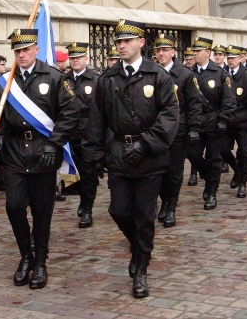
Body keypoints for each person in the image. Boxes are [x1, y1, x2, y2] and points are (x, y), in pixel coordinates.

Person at [83, 20, 179, 298]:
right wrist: (95, 154)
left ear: (141, 43)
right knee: (119, 210)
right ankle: (138, 249)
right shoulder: (108, 78)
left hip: (149, 159)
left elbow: (170, 116)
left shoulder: (158, 76)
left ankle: (141, 268)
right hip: (119, 155)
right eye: (118, 42)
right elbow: (97, 119)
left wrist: (146, 144)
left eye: (126, 41)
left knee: (145, 215)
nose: (121, 46)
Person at [0, 28, 78, 290]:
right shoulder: (4, 81)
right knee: (14, 206)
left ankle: (40, 262)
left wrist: (54, 145)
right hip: (15, 153)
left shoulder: (54, 77)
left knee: (42, 211)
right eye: (17, 51)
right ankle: (26, 255)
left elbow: (70, 113)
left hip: (44, 152)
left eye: (25, 50)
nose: (21, 55)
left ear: (36, 49)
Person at [153, 35, 201, 228]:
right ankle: (163, 202)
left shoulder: (185, 74)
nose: (161, 53)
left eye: (165, 50)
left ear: (173, 52)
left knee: (174, 172)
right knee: (158, 172)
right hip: (156, 132)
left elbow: (194, 104)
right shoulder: (151, 72)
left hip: (177, 132)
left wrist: (194, 128)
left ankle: (170, 206)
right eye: (158, 50)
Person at [187, 37, 236, 210]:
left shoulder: (220, 74)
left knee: (213, 158)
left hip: (214, 122)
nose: (195, 54)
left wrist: (224, 120)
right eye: (194, 51)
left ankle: (211, 192)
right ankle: (208, 175)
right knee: (192, 154)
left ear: (208, 53)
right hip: (196, 123)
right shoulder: (189, 73)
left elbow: (229, 99)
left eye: (198, 51)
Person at [220, 45, 247, 198]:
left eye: (233, 58)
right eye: (229, 58)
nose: (230, 60)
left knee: (244, 152)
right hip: (227, 120)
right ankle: (237, 171)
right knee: (223, 150)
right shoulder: (223, 74)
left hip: (244, 120)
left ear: (241, 58)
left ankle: (243, 183)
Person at [64, 42, 99, 228]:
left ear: (86, 59)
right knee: (71, 172)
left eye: (78, 57)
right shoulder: (63, 80)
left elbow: (100, 108)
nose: (75, 60)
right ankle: (82, 200)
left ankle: (87, 208)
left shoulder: (95, 80)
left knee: (88, 174)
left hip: (88, 134)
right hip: (68, 134)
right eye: (72, 58)